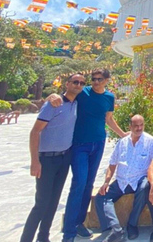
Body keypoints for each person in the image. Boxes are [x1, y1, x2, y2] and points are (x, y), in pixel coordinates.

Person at [47, 68, 128, 242]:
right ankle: (68, 232)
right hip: (79, 145)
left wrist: (123, 134)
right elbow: (63, 97)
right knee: (79, 184)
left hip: (98, 144)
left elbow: (108, 119)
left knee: (89, 184)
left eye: (99, 79)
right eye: (93, 79)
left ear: (107, 80)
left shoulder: (109, 97)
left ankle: (79, 223)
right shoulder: (82, 92)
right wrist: (51, 97)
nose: (95, 82)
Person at [20, 73, 85, 242]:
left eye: (82, 83)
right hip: (47, 159)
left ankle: (44, 237)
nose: (78, 85)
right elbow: (35, 131)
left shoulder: (76, 104)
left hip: (64, 158)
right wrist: (35, 161)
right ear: (67, 83)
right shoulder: (53, 104)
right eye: (75, 82)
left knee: (54, 201)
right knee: (41, 203)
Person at [95, 115, 153, 242]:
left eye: (141, 125)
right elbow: (112, 164)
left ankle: (132, 225)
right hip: (121, 181)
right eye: (136, 126)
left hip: (139, 179)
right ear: (130, 127)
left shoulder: (150, 141)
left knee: (145, 187)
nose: (139, 128)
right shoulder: (122, 142)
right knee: (101, 197)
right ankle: (116, 230)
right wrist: (106, 182)